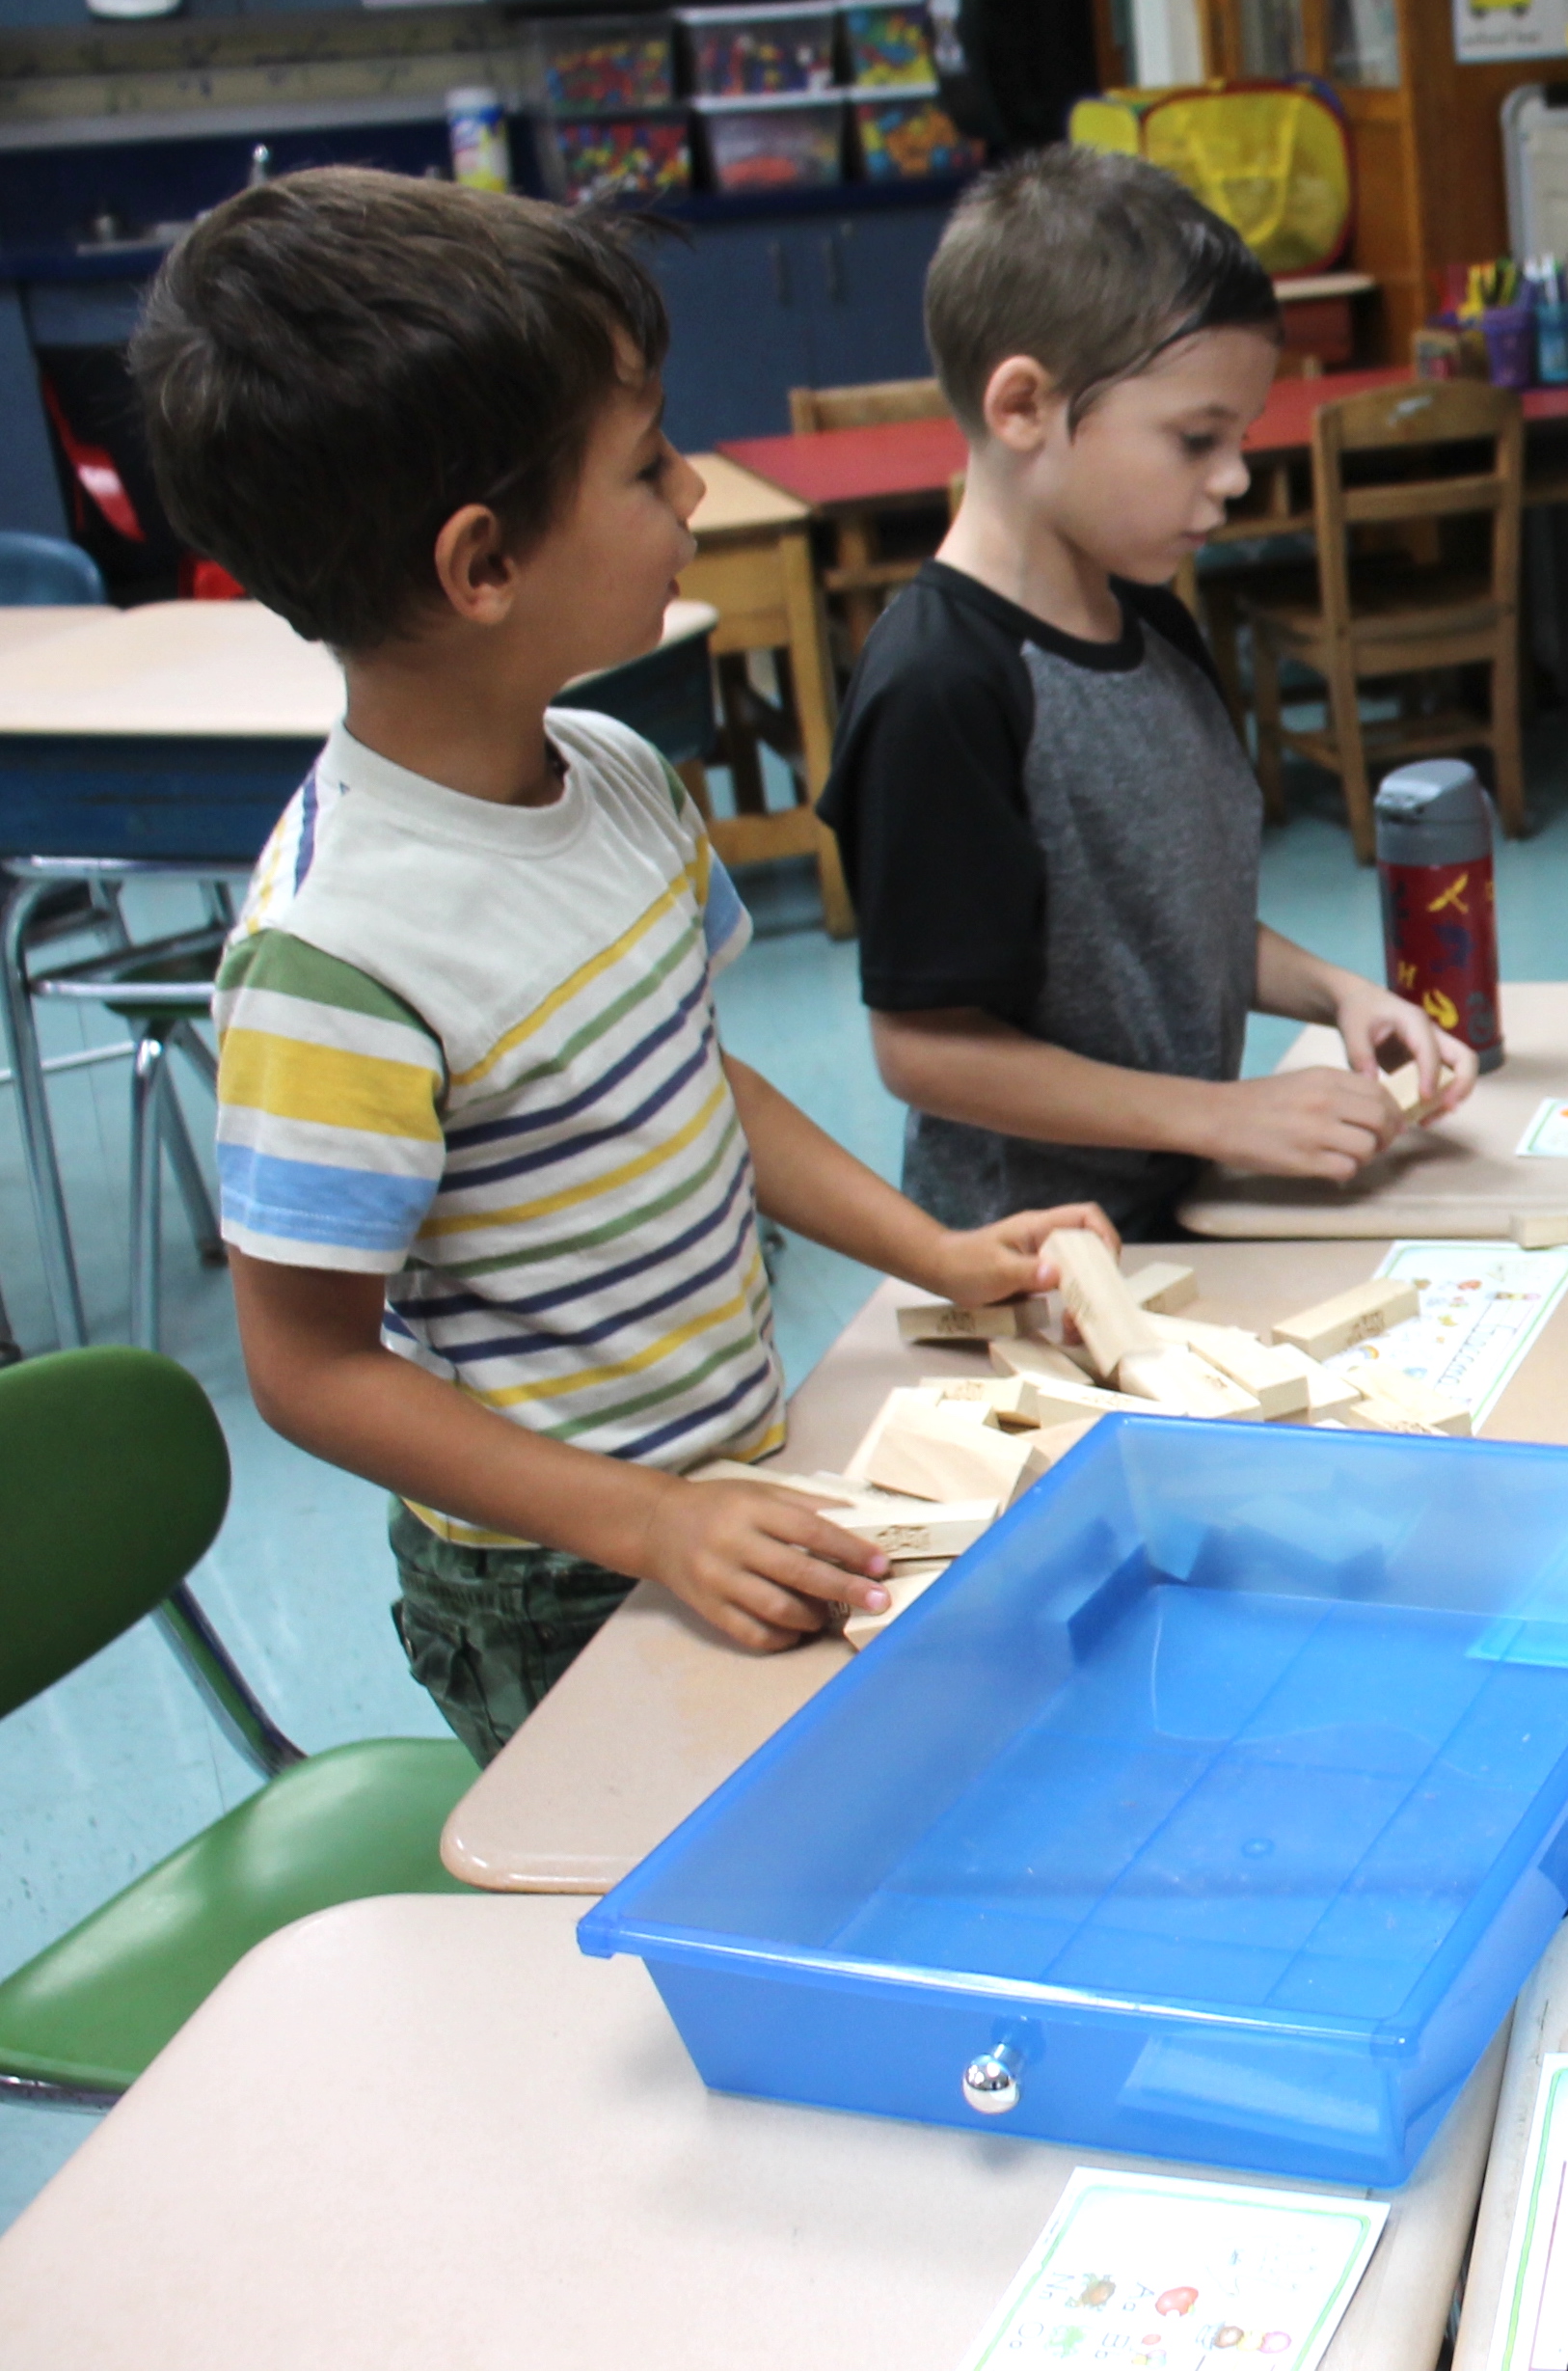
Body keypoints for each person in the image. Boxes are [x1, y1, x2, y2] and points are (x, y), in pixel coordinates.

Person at [136, 170, 1107, 1758]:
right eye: (648, 465)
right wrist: (644, 1520)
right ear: (482, 566)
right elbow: (307, 1366)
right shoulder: (338, 956)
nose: (694, 497)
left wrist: (930, 1251)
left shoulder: (615, 774)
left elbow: (691, 1075)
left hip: (727, 1471)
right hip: (547, 1576)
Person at [825, 148, 1472, 1239]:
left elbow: (1166, 919)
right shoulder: (942, 686)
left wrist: (1336, 994)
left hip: (1185, 1206)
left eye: (1240, 439)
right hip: (1037, 1260)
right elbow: (924, 1048)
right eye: (1195, 440)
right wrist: (1220, 1116)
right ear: (1025, 406)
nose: (1231, 478)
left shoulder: (1150, 614)